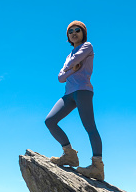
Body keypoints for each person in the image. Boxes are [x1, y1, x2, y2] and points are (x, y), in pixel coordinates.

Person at [44, 20, 104, 181]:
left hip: (83, 90)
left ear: (83, 33)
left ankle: (97, 166)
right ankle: (69, 155)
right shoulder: (69, 55)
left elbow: (69, 66)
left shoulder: (87, 46)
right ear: (68, 37)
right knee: (50, 121)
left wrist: (70, 67)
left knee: (90, 127)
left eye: (77, 30)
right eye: (70, 31)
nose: (74, 33)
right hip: (69, 94)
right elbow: (60, 78)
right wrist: (72, 66)